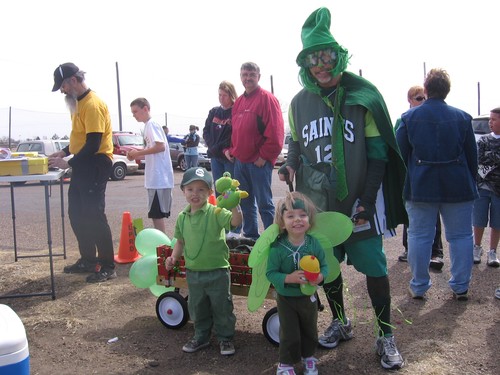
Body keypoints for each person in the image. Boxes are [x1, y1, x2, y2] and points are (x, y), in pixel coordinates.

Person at [278, 8, 407, 370]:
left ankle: (385, 335)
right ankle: (341, 320)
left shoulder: (362, 95)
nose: (322, 67)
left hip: (357, 205)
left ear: (339, 57)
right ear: (306, 64)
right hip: (317, 206)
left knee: (374, 268)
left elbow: (379, 155)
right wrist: (289, 164)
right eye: (314, 61)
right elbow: (296, 144)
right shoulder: (299, 102)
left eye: (327, 58)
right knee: (325, 268)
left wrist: (366, 202)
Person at [396, 68, 478, 302]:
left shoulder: (408, 118)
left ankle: (420, 285)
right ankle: (461, 286)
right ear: (447, 90)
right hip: (458, 186)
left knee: (420, 236)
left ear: (427, 89)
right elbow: (472, 156)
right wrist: (470, 182)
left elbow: (401, 156)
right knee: (461, 236)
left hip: (421, 186)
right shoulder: (462, 117)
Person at [48, 62, 116, 283]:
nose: (62, 90)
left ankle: (107, 265)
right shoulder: (78, 104)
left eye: (63, 86)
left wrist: (69, 164)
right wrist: (64, 151)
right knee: (76, 213)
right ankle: (88, 259)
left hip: (96, 164)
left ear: (74, 81)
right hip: (83, 164)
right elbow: (80, 139)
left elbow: (94, 144)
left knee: (95, 215)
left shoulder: (93, 104)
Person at [165, 167, 242, 356]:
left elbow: (235, 222)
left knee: (222, 307)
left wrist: (234, 203)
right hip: (194, 272)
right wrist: (174, 257)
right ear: (183, 191)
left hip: (218, 271)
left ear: (210, 192)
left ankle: (225, 338)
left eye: (201, 189)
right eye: (190, 189)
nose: (195, 194)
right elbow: (180, 241)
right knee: (197, 308)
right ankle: (201, 336)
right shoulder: (182, 218)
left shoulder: (216, 212)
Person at [266, 192, 327, 375]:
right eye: (291, 216)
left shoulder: (313, 244)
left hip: (309, 297)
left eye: (302, 215)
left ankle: (309, 358)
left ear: (309, 219)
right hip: (286, 298)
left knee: (310, 330)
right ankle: (285, 364)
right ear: (282, 223)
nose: (297, 220)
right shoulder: (277, 248)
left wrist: (320, 277)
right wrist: (288, 278)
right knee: (289, 333)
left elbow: (324, 266)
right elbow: (271, 273)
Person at [229, 62, 284, 240]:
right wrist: (233, 150)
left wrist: (265, 156)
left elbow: (276, 133)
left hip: (258, 163)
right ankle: (251, 236)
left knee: (264, 204)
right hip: (240, 162)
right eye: (244, 74)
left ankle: (272, 239)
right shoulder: (238, 102)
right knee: (245, 202)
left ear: (258, 77)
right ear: (240, 77)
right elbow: (236, 131)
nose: (248, 78)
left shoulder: (267, 99)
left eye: (252, 74)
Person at [395, 86, 444, 271]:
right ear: (409, 100)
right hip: (411, 177)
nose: (422, 101)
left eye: (424, 98)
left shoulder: (433, 119)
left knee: (434, 216)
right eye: (418, 98)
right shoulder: (403, 119)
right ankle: (409, 250)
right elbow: (397, 149)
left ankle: (436, 252)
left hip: (433, 176)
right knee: (411, 216)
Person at [128, 97, 174, 234]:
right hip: (155, 178)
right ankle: (163, 244)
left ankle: (163, 245)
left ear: (145, 109)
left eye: (135, 111)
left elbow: (160, 147)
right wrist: (137, 154)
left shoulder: (152, 125)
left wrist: (138, 153)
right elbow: (153, 151)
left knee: (156, 214)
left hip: (159, 178)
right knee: (156, 214)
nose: (134, 115)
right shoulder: (148, 126)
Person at [203, 80, 241, 239]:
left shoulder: (235, 112)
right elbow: (206, 132)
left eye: (224, 95)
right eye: (219, 95)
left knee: (232, 192)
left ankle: (236, 229)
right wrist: (213, 147)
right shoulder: (213, 112)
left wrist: (220, 148)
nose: (221, 98)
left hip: (229, 157)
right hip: (216, 157)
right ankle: (224, 227)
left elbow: (233, 135)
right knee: (220, 192)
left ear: (231, 95)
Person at [472, 107, 500, 267]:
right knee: (479, 219)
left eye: (494, 119)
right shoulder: (482, 140)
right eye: (490, 119)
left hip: (499, 190)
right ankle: (477, 248)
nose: (490, 122)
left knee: (497, 222)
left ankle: (493, 251)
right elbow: (479, 159)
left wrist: (491, 157)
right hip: (482, 186)